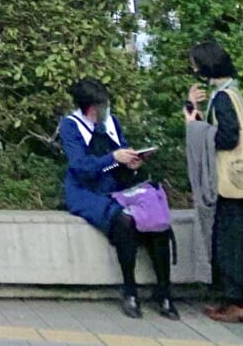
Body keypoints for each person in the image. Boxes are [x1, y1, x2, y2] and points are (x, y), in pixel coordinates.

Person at [60, 78, 177, 321]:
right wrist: (113, 157)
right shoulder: (71, 126)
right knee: (124, 220)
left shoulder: (111, 122)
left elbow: (122, 153)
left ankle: (164, 292)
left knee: (157, 218)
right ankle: (130, 290)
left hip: (119, 187)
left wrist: (132, 161)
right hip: (87, 192)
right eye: (99, 106)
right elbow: (81, 168)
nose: (103, 110)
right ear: (88, 107)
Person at [185, 42, 243, 324]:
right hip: (242, 182)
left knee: (230, 244)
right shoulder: (231, 92)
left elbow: (227, 137)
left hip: (230, 183)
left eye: (196, 64)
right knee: (242, 242)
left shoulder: (223, 98)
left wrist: (194, 126)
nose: (194, 69)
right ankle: (238, 301)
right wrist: (195, 109)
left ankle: (239, 304)